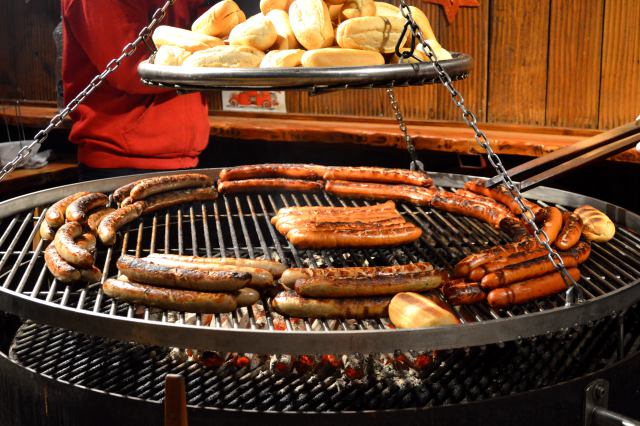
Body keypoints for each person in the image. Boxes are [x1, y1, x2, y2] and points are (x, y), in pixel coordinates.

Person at [62, 0, 212, 181]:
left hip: (184, 158)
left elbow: (213, 31)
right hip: (121, 165)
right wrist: (211, 57)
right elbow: (131, 69)